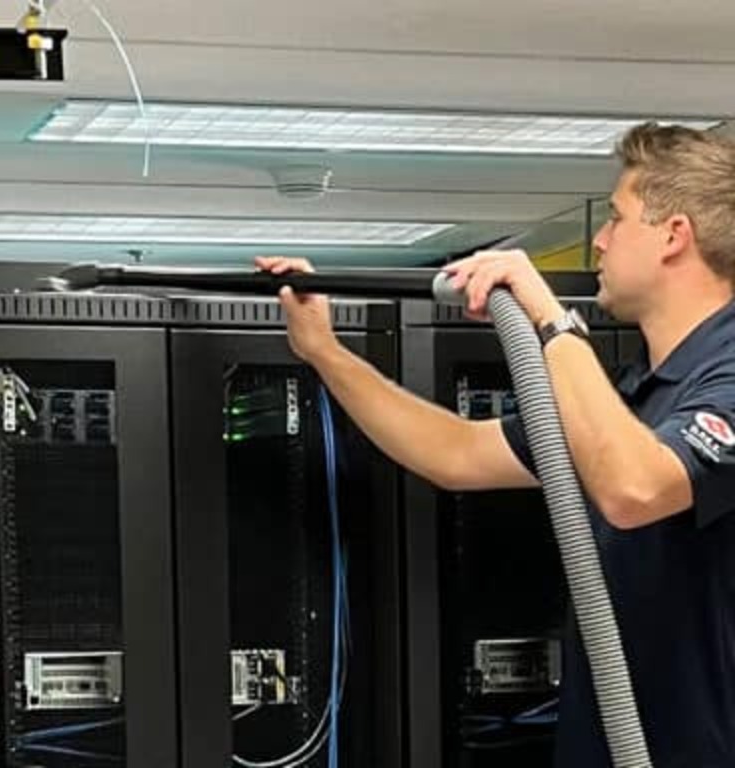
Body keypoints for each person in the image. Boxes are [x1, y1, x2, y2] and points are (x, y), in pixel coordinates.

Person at [255, 122, 735, 767]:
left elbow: (636, 489)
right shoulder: (633, 393)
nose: (599, 238)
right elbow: (454, 452)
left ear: (674, 235)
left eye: (616, 218)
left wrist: (550, 319)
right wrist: (324, 351)